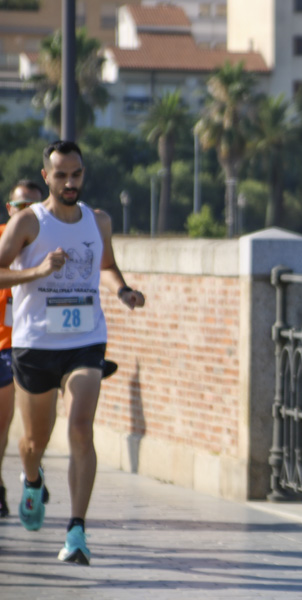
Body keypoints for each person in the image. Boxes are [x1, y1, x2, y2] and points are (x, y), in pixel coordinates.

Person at [0, 140, 145, 565]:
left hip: (85, 340)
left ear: (84, 174)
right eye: (61, 175)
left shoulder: (98, 221)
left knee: (81, 426)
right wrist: (39, 271)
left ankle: (77, 530)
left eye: (76, 174)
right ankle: (31, 479)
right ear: (47, 177)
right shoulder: (29, 222)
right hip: (35, 343)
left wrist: (122, 290)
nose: (69, 183)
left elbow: (107, 263)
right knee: (33, 442)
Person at [0, 180, 44, 518]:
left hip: (39, 342)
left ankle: (32, 472)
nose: (25, 211)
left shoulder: (51, 237)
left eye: (33, 205)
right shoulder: (4, 237)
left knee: (35, 426)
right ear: (8, 208)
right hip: (4, 342)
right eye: (20, 205)